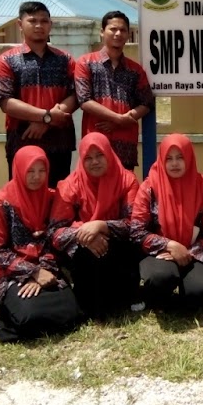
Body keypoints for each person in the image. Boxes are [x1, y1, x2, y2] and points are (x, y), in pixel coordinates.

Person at [0, 146, 82, 342]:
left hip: (48, 268)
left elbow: (55, 240)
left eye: (42, 171)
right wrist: (33, 273)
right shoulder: (1, 203)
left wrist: (44, 270)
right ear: (19, 170)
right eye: (30, 171)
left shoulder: (52, 198)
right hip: (9, 272)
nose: (36, 177)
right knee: (30, 316)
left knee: (72, 313)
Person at [49, 132, 140, 318]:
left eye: (100, 155)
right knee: (95, 305)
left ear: (109, 153)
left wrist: (101, 225)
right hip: (84, 250)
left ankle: (124, 293)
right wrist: (84, 234)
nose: (95, 162)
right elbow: (55, 232)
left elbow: (134, 224)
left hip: (118, 244)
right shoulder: (69, 185)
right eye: (88, 158)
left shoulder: (127, 180)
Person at [0, 1, 77, 187]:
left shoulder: (66, 59)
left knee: (59, 201)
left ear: (50, 24)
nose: (39, 25)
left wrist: (48, 121)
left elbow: (76, 95)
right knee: (23, 202)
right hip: (22, 142)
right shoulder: (6, 61)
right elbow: (6, 102)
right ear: (20, 24)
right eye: (32, 20)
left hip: (59, 143)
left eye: (44, 21)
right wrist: (46, 117)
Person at [131, 134, 203, 310]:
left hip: (193, 251)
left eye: (180, 157)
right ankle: (160, 296)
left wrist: (188, 253)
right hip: (159, 252)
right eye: (169, 158)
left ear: (189, 158)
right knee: (160, 279)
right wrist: (170, 245)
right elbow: (137, 231)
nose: (174, 163)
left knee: (201, 292)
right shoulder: (150, 187)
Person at [75, 11, 155, 171]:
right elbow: (84, 100)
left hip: (125, 144)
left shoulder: (135, 70)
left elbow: (147, 103)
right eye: (113, 29)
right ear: (102, 31)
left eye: (123, 30)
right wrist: (119, 119)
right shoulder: (86, 63)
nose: (118, 34)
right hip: (95, 144)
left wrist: (127, 118)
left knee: (125, 192)